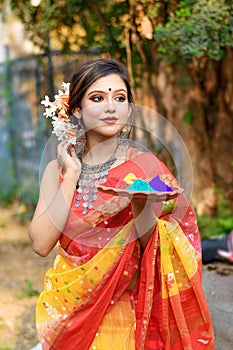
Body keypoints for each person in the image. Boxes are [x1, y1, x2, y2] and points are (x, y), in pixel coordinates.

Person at [29, 58, 214, 350]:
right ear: (76, 109)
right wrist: (72, 174)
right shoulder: (58, 170)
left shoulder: (144, 168)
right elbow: (41, 244)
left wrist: (141, 205)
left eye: (120, 98)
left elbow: (152, 253)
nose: (111, 107)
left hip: (122, 314)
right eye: (97, 98)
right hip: (68, 309)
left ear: (129, 108)